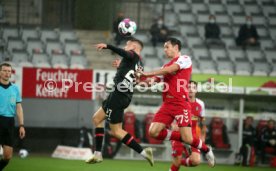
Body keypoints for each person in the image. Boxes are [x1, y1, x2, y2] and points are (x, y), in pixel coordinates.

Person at [137, 37, 215, 167]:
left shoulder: (184, 59)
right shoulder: (164, 66)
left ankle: (206, 150)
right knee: (153, 132)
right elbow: (150, 83)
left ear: (176, 47)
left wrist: (147, 73)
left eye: (167, 47)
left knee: (188, 139)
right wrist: (138, 81)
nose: (165, 50)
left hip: (180, 104)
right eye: (164, 47)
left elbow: (170, 70)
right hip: (167, 105)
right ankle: (184, 139)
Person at [85, 38, 154, 166]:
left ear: (133, 46)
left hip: (118, 96)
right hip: (122, 96)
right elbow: (132, 80)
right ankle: (98, 154)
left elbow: (125, 53)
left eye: (127, 45)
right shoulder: (139, 64)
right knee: (97, 119)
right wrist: (120, 68)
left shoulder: (132, 55)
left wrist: (108, 46)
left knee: (116, 131)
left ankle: (144, 152)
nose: (125, 46)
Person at [170, 80, 206, 171]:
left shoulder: (201, 104)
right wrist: (173, 125)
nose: (191, 90)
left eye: (193, 88)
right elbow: (170, 118)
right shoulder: (179, 102)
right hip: (178, 135)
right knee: (177, 163)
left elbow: (202, 122)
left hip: (192, 136)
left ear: (196, 90)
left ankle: (177, 162)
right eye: (189, 87)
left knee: (196, 161)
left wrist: (202, 136)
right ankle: (176, 163)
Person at [0, 62, 25, 171]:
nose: (7, 73)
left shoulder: (15, 88)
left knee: (7, 156)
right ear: (0, 72)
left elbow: (19, 108)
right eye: (4, 71)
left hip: (9, 121)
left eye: (9, 71)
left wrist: (21, 125)